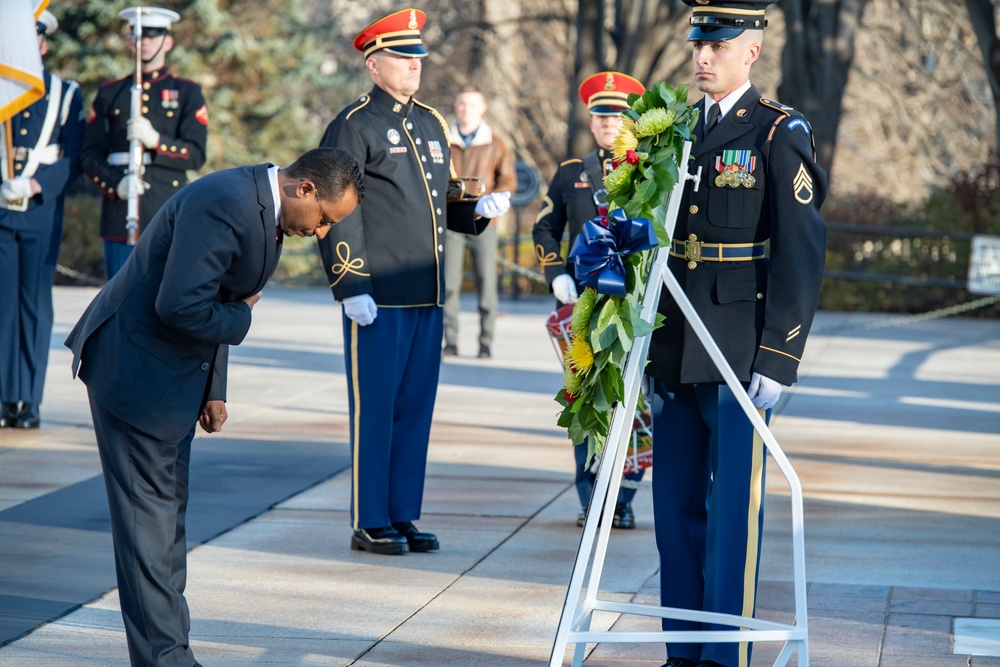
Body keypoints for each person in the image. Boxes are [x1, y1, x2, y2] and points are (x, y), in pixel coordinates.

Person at [64, 147, 363, 667]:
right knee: (147, 532)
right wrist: (241, 322)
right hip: (135, 372)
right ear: (305, 190)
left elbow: (221, 292)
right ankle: (166, 660)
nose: (320, 234)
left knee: (164, 527)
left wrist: (214, 388)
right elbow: (181, 305)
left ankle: (170, 654)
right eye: (324, 221)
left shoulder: (263, 204)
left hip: (174, 376)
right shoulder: (225, 203)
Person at [646, 2, 827, 666]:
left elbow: (801, 252)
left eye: (717, 47)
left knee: (731, 516)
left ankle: (725, 655)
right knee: (674, 508)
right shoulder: (673, 129)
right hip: (673, 340)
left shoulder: (778, 133)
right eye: (699, 44)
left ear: (750, 51)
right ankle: (683, 650)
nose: (702, 57)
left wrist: (781, 354)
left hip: (737, 346)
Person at [317, 8, 510, 556]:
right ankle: (369, 518)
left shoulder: (429, 121)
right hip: (378, 295)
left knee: (414, 409)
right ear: (374, 64)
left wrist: (478, 209)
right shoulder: (353, 124)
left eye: (417, 58)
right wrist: (350, 282)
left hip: (426, 292)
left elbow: (442, 199)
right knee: (375, 408)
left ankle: (402, 513)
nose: (413, 67)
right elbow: (336, 206)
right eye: (402, 59)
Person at [532, 71, 647, 530]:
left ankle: (624, 499)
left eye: (616, 114)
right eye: (600, 114)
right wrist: (554, 273)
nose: (606, 122)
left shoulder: (647, 168)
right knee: (584, 399)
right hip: (583, 302)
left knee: (635, 402)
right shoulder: (571, 174)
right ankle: (590, 498)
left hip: (634, 304)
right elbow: (544, 227)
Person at [0, 10, 85, 430]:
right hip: (0, 209)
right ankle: (4, 398)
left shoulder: (66, 94)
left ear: (43, 44)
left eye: (30, 38)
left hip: (39, 212)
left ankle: (28, 401)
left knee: (34, 307)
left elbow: (74, 157)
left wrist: (35, 186)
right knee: (2, 307)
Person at [79, 6, 207, 280]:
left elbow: (196, 154)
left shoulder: (187, 92)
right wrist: (116, 184)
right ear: (130, 41)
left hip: (165, 209)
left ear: (167, 42)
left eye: (153, 35)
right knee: (118, 301)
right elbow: (89, 155)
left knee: (161, 300)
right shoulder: (110, 93)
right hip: (119, 212)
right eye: (138, 35)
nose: (145, 42)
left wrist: (157, 142)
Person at [442, 85, 516, 359]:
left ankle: (486, 342)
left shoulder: (495, 142)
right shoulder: (442, 139)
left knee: (487, 285)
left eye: (472, 104)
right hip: (451, 222)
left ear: (482, 108)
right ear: (455, 105)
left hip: (484, 223)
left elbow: (508, 180)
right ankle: (450, 341)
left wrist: (492, 203)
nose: (466, 109)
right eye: (462, 103)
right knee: (449, 284)